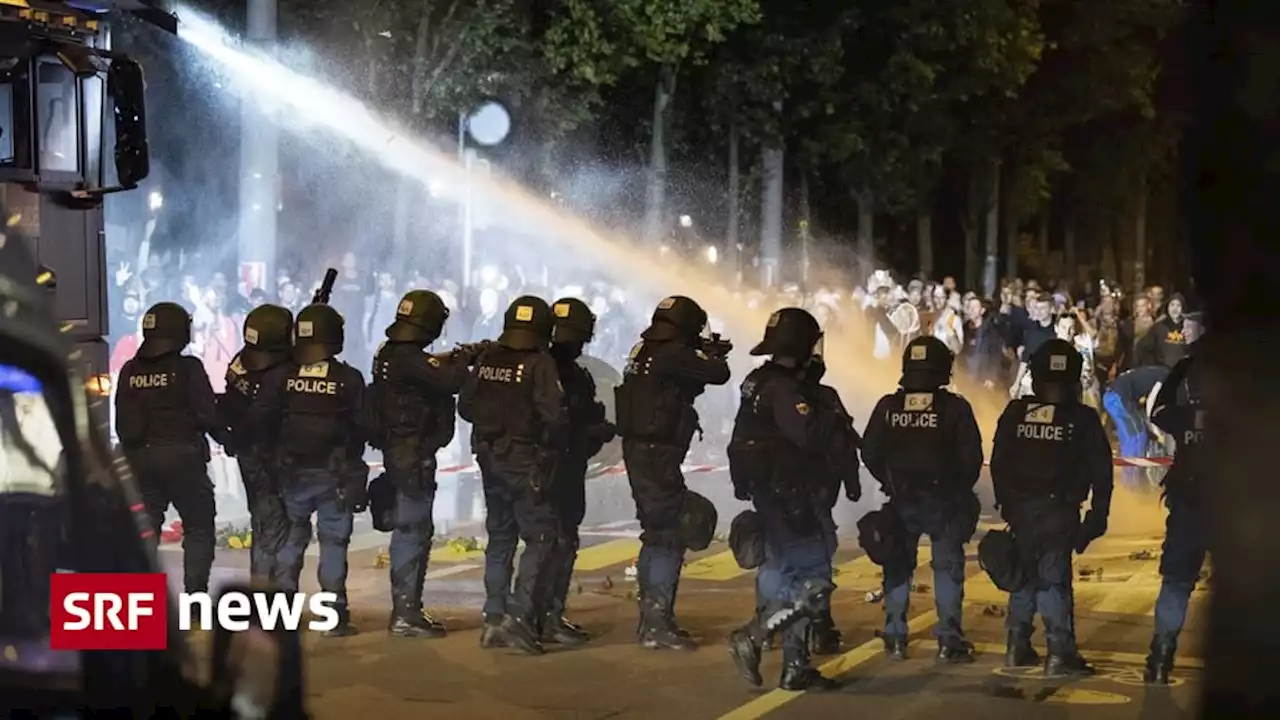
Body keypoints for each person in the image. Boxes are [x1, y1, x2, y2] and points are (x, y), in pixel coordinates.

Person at [726, 308, 853, 690]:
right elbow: (808, 436)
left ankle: (795, 666)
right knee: (813, 582)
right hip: (791, 493)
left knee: (783, 574)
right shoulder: (786, 391)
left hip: (772, 491)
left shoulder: (759, 380)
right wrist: (823, 408)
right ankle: (754, 635)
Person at [990, 339, 1113, 676]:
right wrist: (1097, 516)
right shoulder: (1083, 418)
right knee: (1054, 581)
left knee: (1024, 576)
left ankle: (1017, 647)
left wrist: (1008, 504)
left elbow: (999, 463)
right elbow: (1102, 473)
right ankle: (1059, 654)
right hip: (1058, 511)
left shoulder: (1016, 412)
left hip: (1022, 509)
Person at [615, 295, 731, 650]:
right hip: (656, 453)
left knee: (656, 531)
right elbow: (718, 374)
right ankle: (656, 624)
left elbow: (680, 385)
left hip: (641, 449)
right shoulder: (673, 353)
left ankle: (652, 619)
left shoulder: (644, 349)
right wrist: (711, 354)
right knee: (669, 533)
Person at [860, 336, 984, 662]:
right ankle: (949, 640)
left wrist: (890, 481)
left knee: (898, 566)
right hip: (944, 503)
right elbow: (972, 458)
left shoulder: (889, 406)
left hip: (901, 500)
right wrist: (955, 491)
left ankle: (895, 637)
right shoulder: (955, 408)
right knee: (947, 569)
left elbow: (870, 451)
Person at [459, 295, 565, 655]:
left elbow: (466, 406)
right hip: (525, 463)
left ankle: (494, 618)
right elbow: (553, 416)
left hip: (490, 461)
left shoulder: (488, 359)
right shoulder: (540, 363)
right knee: (540, 537)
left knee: (500, 539)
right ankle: (519, 620)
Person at [258, 303, 368, 637]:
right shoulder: (347, 379)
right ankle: (333, 615)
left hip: (292, 474)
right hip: (334, 475)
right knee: (333, 544)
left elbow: (261, 419)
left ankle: (281, 615)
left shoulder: (282, 375)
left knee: (291, 542)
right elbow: (363, 425)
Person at [370, 290, 474, 638]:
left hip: (399, 450)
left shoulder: (392, 352)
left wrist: (455, 356)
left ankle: (407, 610)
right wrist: (466, 359)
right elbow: (449, 380)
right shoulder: (407, 358)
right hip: (411, 454)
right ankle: (406, 614)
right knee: (413, 531)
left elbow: (429, 367)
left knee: (411, 529)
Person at [115, 302, 233, 593]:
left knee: (144, 532)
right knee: (198, 527)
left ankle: (140, 602)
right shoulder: (188, 368)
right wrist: (231, 441)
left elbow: (122, 425)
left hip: (140, 461)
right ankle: (195, 597)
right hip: (183, 460)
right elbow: (208, 415)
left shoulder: (130, 371)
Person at [543, 297, 616, 644]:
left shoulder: (546, 367)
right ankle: (547, 616)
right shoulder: (560, 373)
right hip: (559, 469)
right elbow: (564, 425)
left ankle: (525, 616)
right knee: (558, 542)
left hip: (545, 468)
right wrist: (595, 432)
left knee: (545, 542)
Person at [219, 304, 294, 586]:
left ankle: (266, 593)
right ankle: (267, 599)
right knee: (273, 528)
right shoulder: (277, 373)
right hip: (269, 454)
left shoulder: (240, 361)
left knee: (265, 524)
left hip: (248, 452)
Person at [1144, 348, 1207, 684]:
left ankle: (1160, 657)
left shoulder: (1185, 416)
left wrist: (1179, 370)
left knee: (1176, 584)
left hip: (1188, 509)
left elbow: (1158, 411)